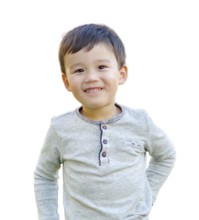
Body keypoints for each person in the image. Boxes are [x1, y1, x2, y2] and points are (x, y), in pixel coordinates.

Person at [34, 23, 176, 220]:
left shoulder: (140, 123)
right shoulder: (61, 128)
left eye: (101, 67)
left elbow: (166, 156)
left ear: (121, 74)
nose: (91, 77)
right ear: (66, 81)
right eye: (79, 70)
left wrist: (146, 196)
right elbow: (44, 176)